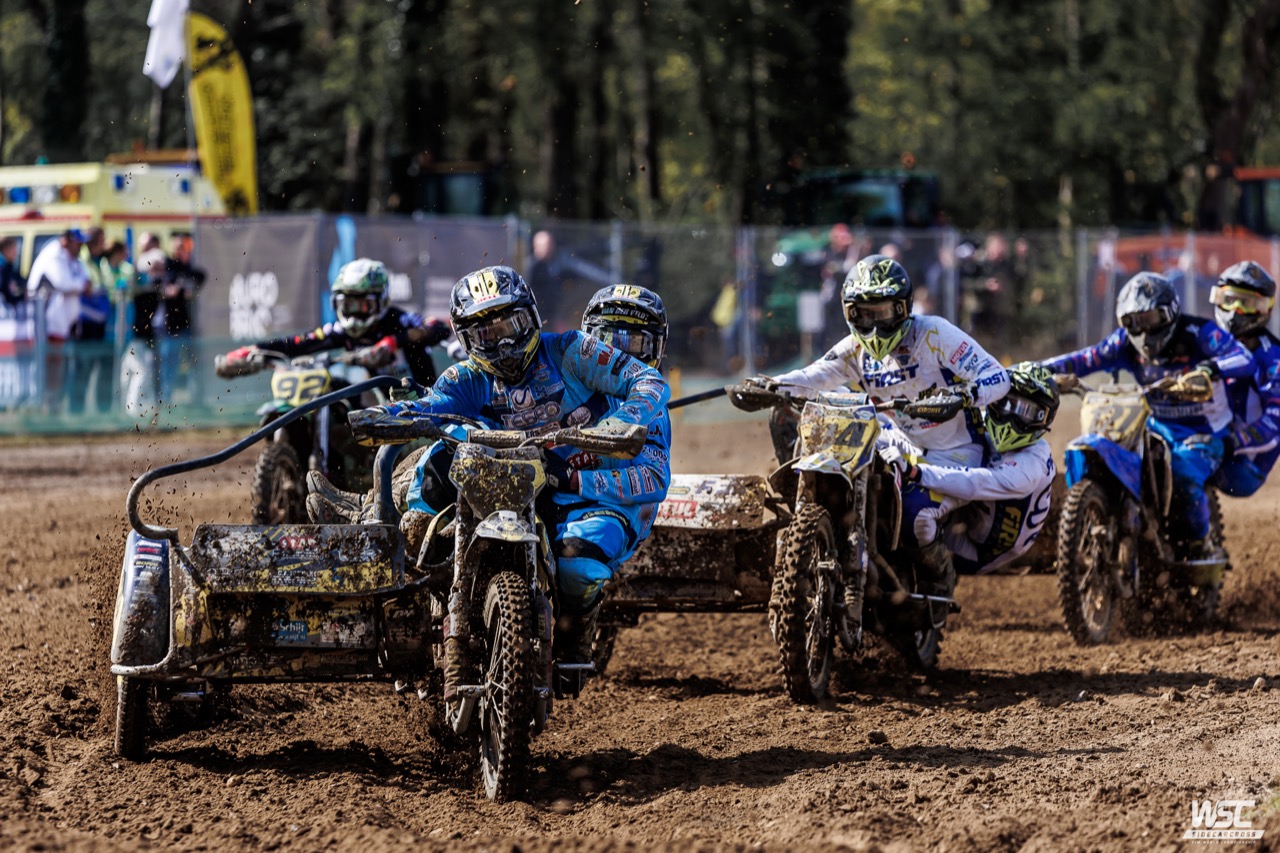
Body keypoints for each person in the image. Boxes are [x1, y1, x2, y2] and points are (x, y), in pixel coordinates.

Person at [343, 266, 670, 681]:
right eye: (486, 335)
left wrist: (620, 423)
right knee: (432, 468)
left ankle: (575, 634)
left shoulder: (572, 351)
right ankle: (387, 538)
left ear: (531, 317)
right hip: (499, 478)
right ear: (466, 340)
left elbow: (648, 381)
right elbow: (433, 406)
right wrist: (389, 414)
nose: (502, 344)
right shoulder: (466, 377)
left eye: (510, 327)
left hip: (574, 494)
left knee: (579, 568)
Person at [727, 253, 1010, 597]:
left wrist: (963, 396)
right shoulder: (854, 350)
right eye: (863, 314)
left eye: (883, 313)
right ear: (849, 313)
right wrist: (768, 386)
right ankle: (817, 518)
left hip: (955, 454)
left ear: (903, 309)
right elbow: (813, 376)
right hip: (902, 442)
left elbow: (997, 376)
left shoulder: (934, 334)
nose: (874, 327)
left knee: (915, 516)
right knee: (811, 418)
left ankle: (940, 577)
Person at [1044, 271, 1254, 560]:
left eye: (1150, 319)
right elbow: (1084, 359)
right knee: (1117, 458)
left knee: (1183, 473)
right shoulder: (1124, 342)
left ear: (1171, 313)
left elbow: (1244, 358)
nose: (1143, 331)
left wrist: (1210, 369)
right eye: (1133, 322)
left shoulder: (1198, 332)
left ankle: (1198, 544)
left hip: (1204, 430)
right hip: (1153, 425)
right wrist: (1036, 371)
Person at [880, 362, 1059, 576]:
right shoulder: (982, 423)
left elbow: (977, 483)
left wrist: (916, 472)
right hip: (970, 515)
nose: (1011, 416)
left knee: (916, 515)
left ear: (1043, 420)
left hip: (984, 550)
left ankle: (937, 581)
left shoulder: (1032, 464)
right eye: (1006, 403)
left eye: (1026, 411)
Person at [221, 258, 451, 387]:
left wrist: (392, 342)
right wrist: (252, 350)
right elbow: (298, 343)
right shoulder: (342, 331)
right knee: (333, 390)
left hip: (423, 404)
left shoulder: (399, 319)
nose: (354, 314)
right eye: (347, 304)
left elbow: (438, 328)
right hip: (381, 404)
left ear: (381, 301)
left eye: (362, 305)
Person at [1205, 261, 1280, 497]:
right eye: (1230, 300)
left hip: (1245, 464)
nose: (1235, 310)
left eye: (1246, 303)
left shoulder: (1273, 358)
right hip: (1214, 438)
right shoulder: (1210, 341)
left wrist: (1232, 442)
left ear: (1264, 308)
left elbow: (1275, 421)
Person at [27, 229, 91, 413]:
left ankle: (53, 403)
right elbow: (63, 283)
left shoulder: (72, 257)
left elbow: (86, 278)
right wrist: (81, 285)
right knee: (49, 362)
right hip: (47, 319)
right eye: (77, 243)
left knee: (58, 362)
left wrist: (81, 284)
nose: (80, 247)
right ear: (66, 241)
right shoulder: (53, 254)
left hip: (63, 322)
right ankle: (43, 403)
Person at [155, 234, 206, 406]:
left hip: (185, 325)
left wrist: (184, 287)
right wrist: (171, 289)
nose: (180, 252)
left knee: (193, 365)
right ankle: (165, 402)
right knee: (169, 366)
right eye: (177, 248)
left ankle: (196, 401)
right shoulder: (166, 267)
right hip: (169, 327)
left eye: (182, 248)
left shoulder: (186, 269)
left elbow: (200, 276)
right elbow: (158, 284)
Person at [69, 228, 112, 414]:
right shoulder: (82, 261)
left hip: (99, 324)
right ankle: (76, 410)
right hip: (85, 323)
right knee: (82, 369)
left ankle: (103, 410)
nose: (104, 244)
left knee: (101, 369)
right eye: (101, 240)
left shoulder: (100, 262)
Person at [1, 237, 26, 316]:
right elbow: (6, 294)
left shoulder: (9, 266)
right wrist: (23, 297)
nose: (16, 253)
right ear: (6, 250)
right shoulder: (3, 268)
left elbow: (20, 279)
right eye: (14, 249)